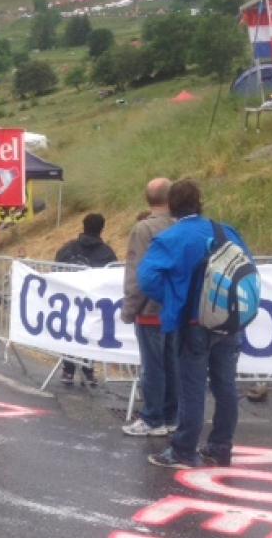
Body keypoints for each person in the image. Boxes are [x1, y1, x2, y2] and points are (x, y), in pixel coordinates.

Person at [140, 179, 252, 469]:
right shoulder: (226, 231)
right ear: (200, 202)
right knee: (225, 384)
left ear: (172, 207)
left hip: (193, 322)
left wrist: (173, 298)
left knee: (191, 386)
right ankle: (220, 447)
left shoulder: (171, 238)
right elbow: (248, 265)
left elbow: (148, 279)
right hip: (229, 320)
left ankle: (183, 450)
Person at [121, 178, 178, 437]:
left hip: (151, 309)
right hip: (177, 308)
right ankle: (171, 415)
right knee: (173, 365)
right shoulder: (182, 226)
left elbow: (138, 273)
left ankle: (153, 417)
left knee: (153, 367)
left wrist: (130, 308)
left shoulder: (144, 229)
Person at [55, 213, 118, 385]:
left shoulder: (67, 249)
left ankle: (68, 370)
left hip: (70, 299)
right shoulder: (107, 253)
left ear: (83, 226)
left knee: (69, 331)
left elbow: (56, 267)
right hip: (94, 303)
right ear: (102, 228)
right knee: (90, 333)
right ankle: (88, 370)